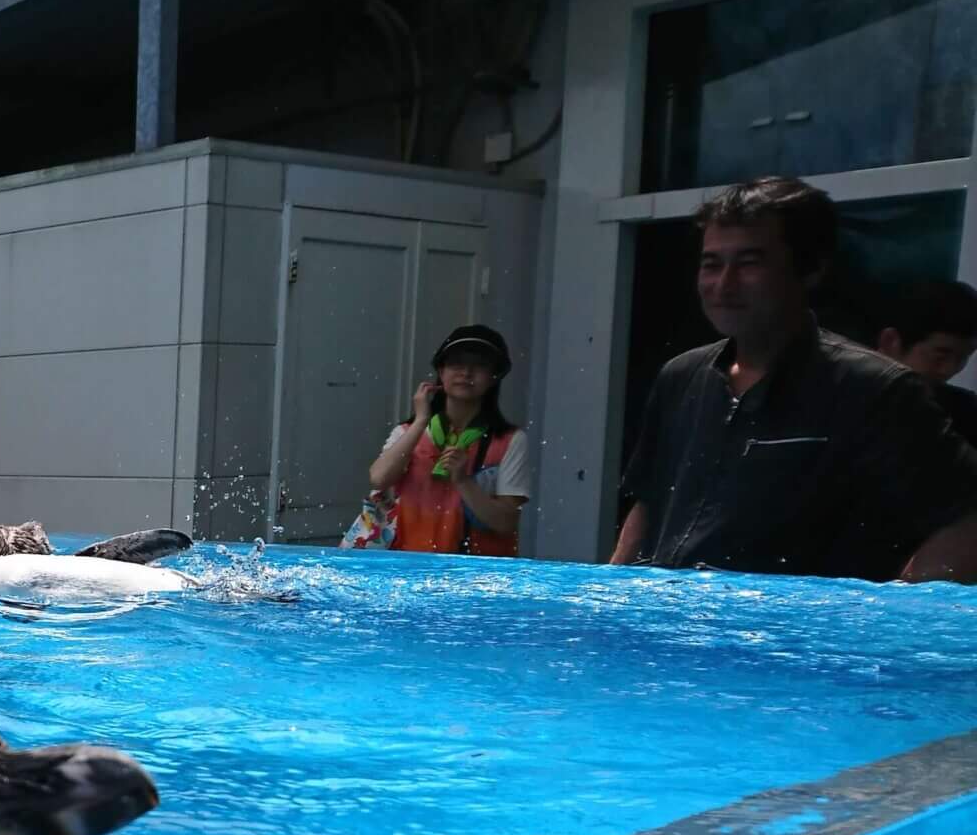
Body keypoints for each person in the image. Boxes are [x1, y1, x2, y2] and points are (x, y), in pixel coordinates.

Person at [612, 176, 977, 583]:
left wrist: (892, 614)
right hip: (678, 633)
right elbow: (648, 503)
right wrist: (614, 599)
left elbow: (966, 519)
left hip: (792, 643)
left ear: (811, 269)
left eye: (750, 263)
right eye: (712, 264)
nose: (723, 284)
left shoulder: (873, 389)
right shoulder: (681, 377)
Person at [366, 324, 532, 555]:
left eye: (480, 365)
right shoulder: (409, 432)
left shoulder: (510, 440)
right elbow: (379, 478)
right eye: (456, 363)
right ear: (441, 373)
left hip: (478, 575)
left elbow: (505, 522)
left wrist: (464, 481)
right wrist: (421, 421)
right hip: (410, 566)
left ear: (494, 377)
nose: (466, 372)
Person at [872, 278, 977, 449]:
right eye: (941, 356)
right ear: (890, 341)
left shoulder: (963, 413)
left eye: (963, 357)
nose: (949, 370)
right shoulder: (839, 400)